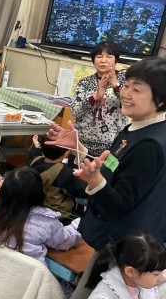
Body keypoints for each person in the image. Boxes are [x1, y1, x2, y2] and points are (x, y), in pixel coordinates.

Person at [46, 57, 166, 250]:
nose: (125, 94)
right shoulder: (137, 128)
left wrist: (95, 181)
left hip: (125, 247)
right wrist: (78, 148)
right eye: (126, 86)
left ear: (160, 100)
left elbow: (119, 204)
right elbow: (113, 165)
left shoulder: (149, 145)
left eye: (136, 90)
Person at [0, 166, 81, 263]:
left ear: (5, 191)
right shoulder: (47, 222)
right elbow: (66, 240)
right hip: (28, 271)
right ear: (40, 192)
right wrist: (80, 223)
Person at [71, 40, 127, 158]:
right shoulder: (85, 82)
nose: (103, 60)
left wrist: (115, 85)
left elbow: (128, 105)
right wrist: (95, 96)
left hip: (113, 146)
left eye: (109, 56)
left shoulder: (125, 81)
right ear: (93, 60)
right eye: (99, 56)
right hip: (82, 144)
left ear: (116, 60)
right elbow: (75, 112)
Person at [27, 134, 87, 216]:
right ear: (65, 154)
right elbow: (83, 191)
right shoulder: (64, 173)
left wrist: (37, 147)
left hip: (32, 208)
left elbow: (34, 155)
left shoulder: (33, 162)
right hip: (56, 215)